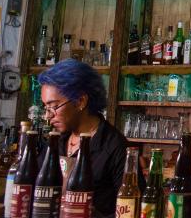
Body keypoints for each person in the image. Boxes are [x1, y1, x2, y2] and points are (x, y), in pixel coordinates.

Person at [38, 58, 143, 217]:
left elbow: (134, 210)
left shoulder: (116, 147)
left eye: (53, 106)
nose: (48, 116)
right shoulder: (56, 142)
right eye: (46, 107)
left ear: (80, 101)